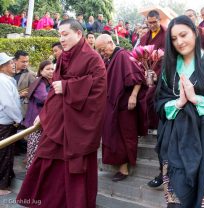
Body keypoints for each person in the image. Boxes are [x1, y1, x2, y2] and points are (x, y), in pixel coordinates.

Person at [16, 19, 107, 208]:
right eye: (60, 34)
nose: (62, 39)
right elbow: (53, 92)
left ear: (79, 34)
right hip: (57, 121)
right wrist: (45, 112)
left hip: (77, 127)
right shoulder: (63, 57)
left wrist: (68, 86)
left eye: (65, 34)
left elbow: (98, 93)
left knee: (74, 170)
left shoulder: (93, 59)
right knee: (47, 158)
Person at [156, 15, 204, 208]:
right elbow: (159, 104)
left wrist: (195, 99)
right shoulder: (169, 67)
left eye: (183, 35)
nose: (179, 42)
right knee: (175, 193)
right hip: (173, 136)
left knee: (200, 193)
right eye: (174, 39)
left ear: (195, 33)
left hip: (202, 136)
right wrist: (179, 102)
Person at [95, 34, 147, 182]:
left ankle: (124, 169)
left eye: (103, 49)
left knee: (125, 135)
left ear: (111, 43)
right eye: (100, 51)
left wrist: (133, 96)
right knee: (113, 135)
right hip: (111, 105)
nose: (102, 53)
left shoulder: (122, 55)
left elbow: (138, 76)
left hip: (125, 105)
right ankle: (119, 166)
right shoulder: (110, 59)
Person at [139, 10, 167, 188]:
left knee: (152, 99)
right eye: (149, 23)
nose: (152, 25)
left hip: (163, 75)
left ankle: (156, 125)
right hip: (148, 75)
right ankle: (152, 126)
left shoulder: (167, 34)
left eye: (154, 22)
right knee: (147, 99)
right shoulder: (145, 37)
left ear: (159, 20)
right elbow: (141, 54)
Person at [23, 60, 54, 170]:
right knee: (35, 150)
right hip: (36, 122)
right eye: (47, 69)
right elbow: (43, 98)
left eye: (52, 69)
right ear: (41, 71)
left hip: (43, 121)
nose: (51, 71)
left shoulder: (48, 82)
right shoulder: (39, 82)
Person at [0, 52, 23, 196]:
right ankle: (1, 186)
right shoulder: (2, 80)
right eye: (9, 63)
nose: (12, 65)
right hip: (5, 122)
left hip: (6, 120)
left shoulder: (6, 79)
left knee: (6, 153)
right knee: (4, 154)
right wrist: (19, 119)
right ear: (2, 67)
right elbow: (8, 104)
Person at [14, 50, 36, 119]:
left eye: (27, 61)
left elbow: (35, 92)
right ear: (15, 60)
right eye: (23, 62)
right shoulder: (8, 72)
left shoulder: (31, 74)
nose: (26, 64)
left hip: (23, 110)